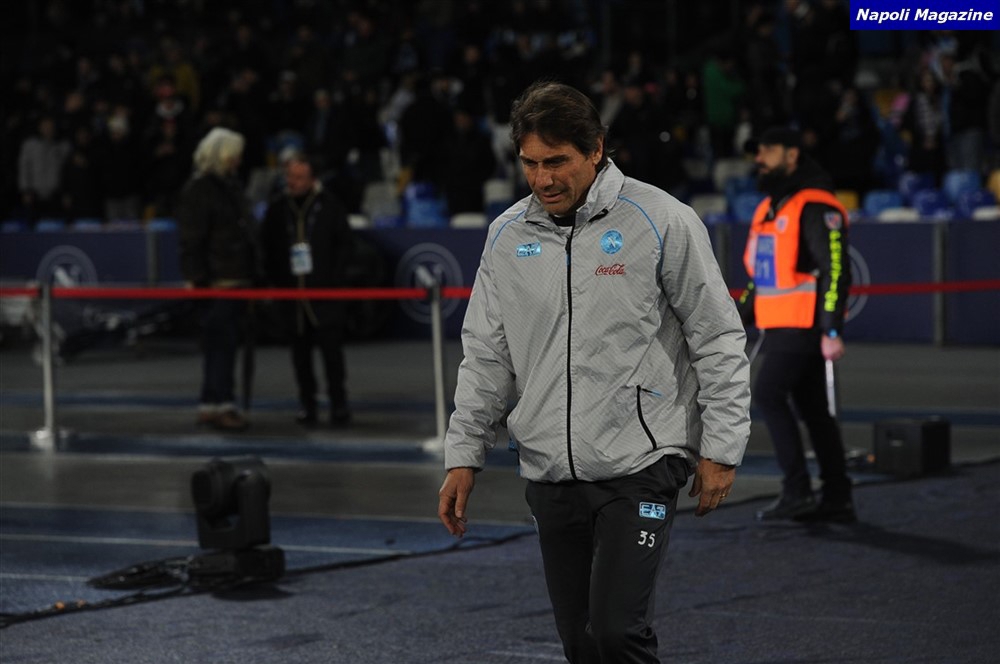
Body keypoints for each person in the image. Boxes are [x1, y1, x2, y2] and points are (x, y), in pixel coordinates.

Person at [437, 81, 751, 663]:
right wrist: (464, 455)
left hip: (641, 464)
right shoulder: (506, 235)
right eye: (530, 163)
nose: (543, 179)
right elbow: (487, 356)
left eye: (557, 161)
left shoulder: (662, 220)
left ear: (596, 149)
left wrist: (722, 448)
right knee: (581, 643)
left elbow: (718, 337)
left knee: (617, 633)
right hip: (549, 472)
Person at [740, 126, 855, 523]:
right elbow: (762, 278)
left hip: (802, 325)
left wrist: (832, 329)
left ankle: (798, 490)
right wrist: (736, 319)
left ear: (792, 155)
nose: (759, 158)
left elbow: (835, 269)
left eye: (768, 150)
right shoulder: (770, 208)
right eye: (758, 151)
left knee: (768, 395)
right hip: (779, 326)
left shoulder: (815, 204)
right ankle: (837, 495)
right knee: (813, 409)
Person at [260, 153, 353, 427]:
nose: (293, 182)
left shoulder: (330, 206)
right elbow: (268, 248)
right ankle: (307, 405)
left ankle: (339, 405)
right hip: (292, 297)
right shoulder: (277, 209)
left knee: (332, 356)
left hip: (325, 295)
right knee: (300, 358)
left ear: (312, 179)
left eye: (299, 177)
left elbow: (345, 245)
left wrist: (334, 279)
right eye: (290, 176)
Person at [177, 127, 260, 432]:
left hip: (235, 277)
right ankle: (220, 403)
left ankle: (212, 402)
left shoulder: (229, 186)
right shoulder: (200, 190)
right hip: (217, 280)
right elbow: (191, 240)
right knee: (220, 344)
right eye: (234, 155)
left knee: (223, 344)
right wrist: (196, 279)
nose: (238, 161)